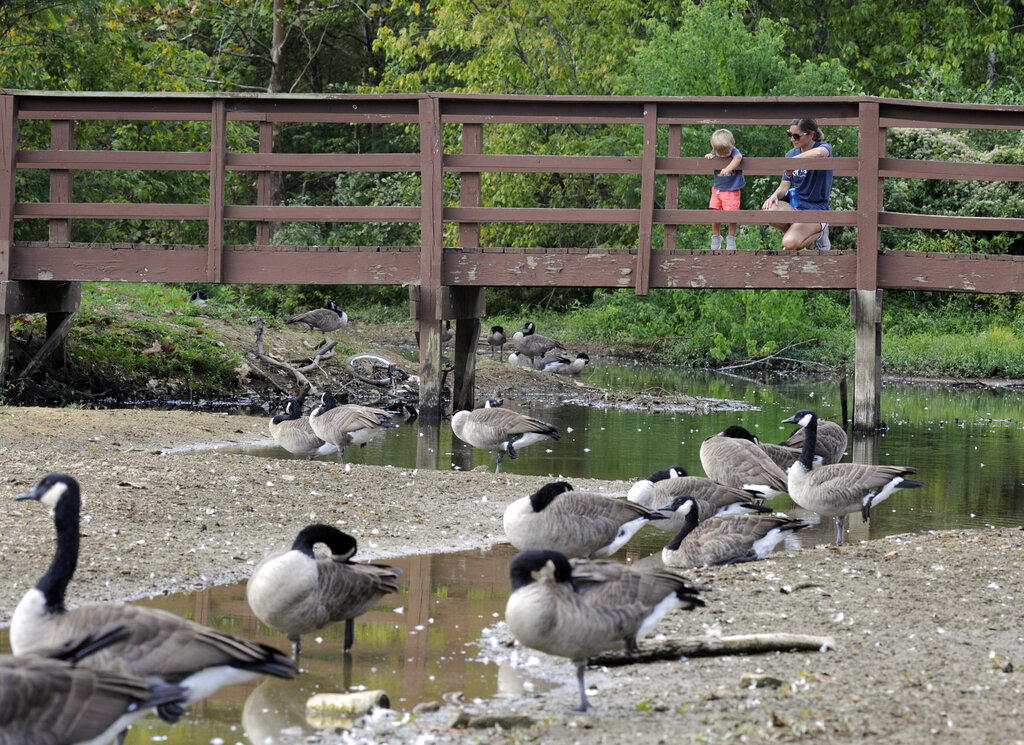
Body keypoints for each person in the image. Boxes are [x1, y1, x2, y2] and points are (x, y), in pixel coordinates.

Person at [761, 118, 833, 250]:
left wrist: (793, 162)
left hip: (816, 210)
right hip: (796, 207)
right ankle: (796, 233)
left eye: (796, 136)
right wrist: (774, 196)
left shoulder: (823, 147)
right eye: (790, 134)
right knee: (768, 209)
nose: (792, 139)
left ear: (811, 135)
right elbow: (784, 187)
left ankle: (820, 233)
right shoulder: (791, 153)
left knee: (789, 243)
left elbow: (819, 153)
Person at [704, 129, 744, 250]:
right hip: (717, 189)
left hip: (731, 190)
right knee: (715, 213)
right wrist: (710, 155)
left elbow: (738, 158)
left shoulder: (734, 151)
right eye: (718, 153)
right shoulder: (717, 150)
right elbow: (714, 154)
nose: (721, 156)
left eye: (726, 153)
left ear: (732, 145)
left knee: (731, 215)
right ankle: (716, 236)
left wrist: (727, 168)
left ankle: (731, 238)